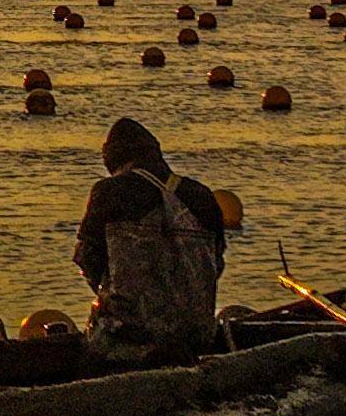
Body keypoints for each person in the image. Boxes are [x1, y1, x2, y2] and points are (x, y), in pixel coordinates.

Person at [75, 116, 231, 363]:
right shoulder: (201, 194)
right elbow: (216, 264)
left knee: (89, 351)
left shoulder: (109, 191)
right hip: (199, 333)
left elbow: (86, 257)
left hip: (133, 335)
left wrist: (111, 293)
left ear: (110, 158)